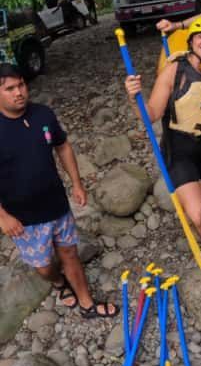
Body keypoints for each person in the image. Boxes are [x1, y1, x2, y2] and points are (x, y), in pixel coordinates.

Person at [0, 65, 117, 318]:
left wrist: (77, 183)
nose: (19, 92)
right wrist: (3, 216)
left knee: (70, 254)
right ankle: (58, 281)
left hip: (57, 204)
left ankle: (87, 304)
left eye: (21, 85)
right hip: (23, 219)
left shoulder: (43, 114)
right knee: (44, 268)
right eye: (9, 88)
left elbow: (62, 146)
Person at [124, 15, 201, 279]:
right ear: (191, 41)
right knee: (197, 214)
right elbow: (151, 115)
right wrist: (133, 97)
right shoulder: (175, 70)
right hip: (179, 148)